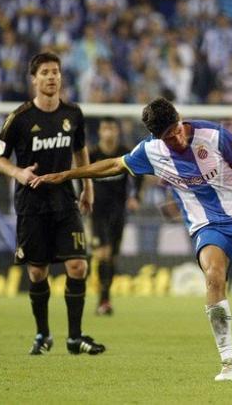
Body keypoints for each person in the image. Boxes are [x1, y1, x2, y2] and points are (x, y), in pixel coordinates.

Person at [31, 97, 232, 381]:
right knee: (213, 275)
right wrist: (66, 175)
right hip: (208, 225)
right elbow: (113, 165)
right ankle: (228, 363)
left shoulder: (211, 134)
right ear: (156, 137)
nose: (177, 137)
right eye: (168, 136)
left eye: (177, 129)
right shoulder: (150, 152)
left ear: (179, 118)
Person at [0, 52, 106, 355]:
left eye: (55, 72)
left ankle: (75, 337)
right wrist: (18, 173)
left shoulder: (73, 114)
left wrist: (88, 186)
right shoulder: (20, 118)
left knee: (78, 265)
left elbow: (81, 152)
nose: (51, 77)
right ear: (34, 79)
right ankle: (42, 335)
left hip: (65, 201)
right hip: (31, 205)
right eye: (45, 72)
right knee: (37, 273)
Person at [89, 117, 143, 316]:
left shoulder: (124, 153)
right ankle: (103, 299)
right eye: (105, 128)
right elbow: (80, 176)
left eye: (112, 128)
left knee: (111, 256)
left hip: (118, 211)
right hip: (97, 212)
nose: (109, 132)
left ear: (117, 131)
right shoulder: (92, 155)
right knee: (102, 253)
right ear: (100, 132)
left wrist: (135, 197)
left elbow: (138, 175)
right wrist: (82, 196)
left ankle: (105, 298)